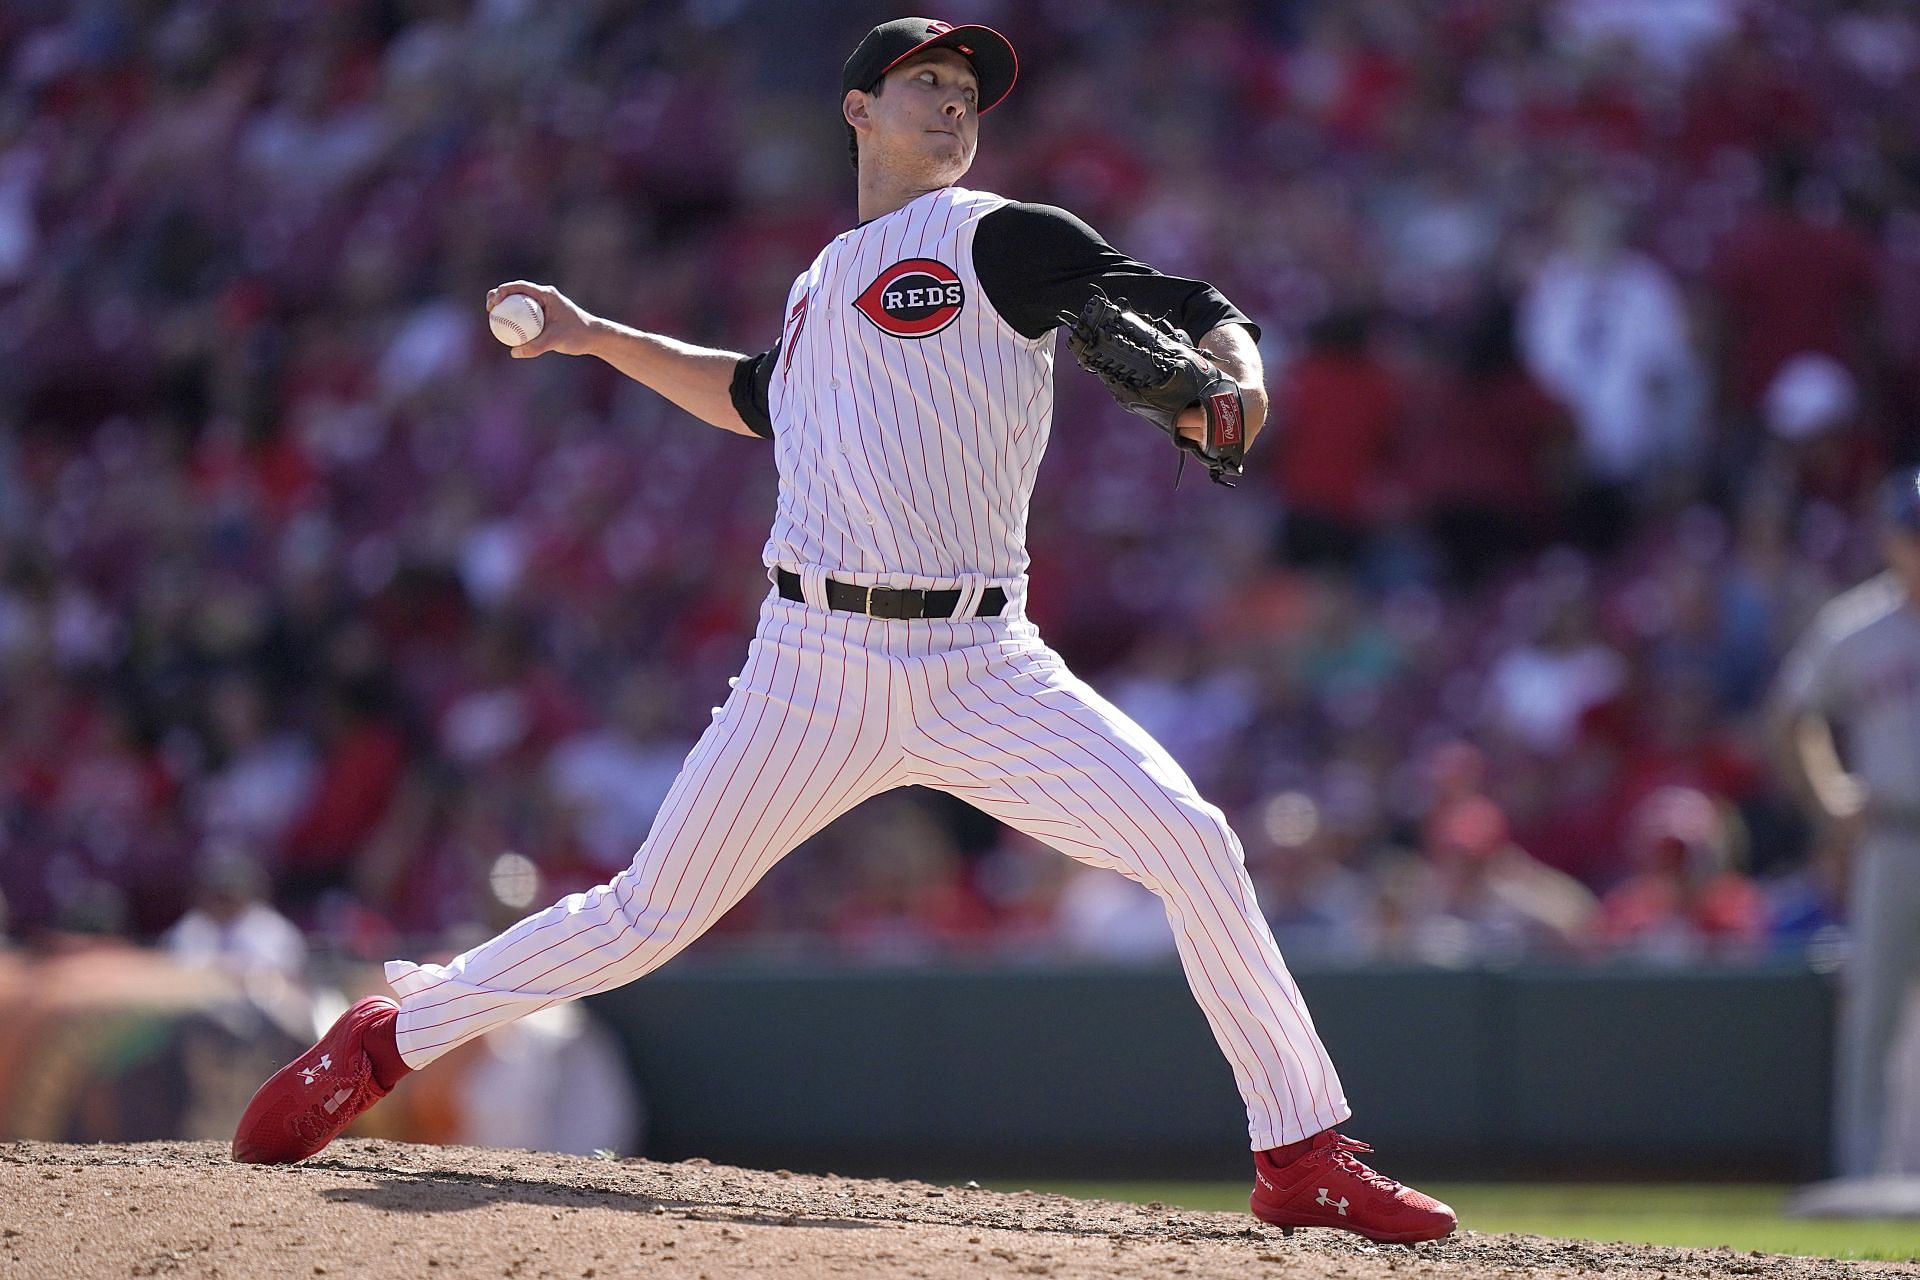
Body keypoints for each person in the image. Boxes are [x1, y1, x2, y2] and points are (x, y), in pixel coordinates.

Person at [231, 17, 1454, 1243]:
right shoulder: (821, 283)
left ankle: (1299, 1152)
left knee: (1194, 844)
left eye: (967, 88)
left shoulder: (1001, 237)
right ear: (859, 109)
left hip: (984, 662)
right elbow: (753, 394)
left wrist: (1236, 372)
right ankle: (386, 1039)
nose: (952, 103)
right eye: (924, 81)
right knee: (649, 914)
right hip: (811, 664)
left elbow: (1189, 304)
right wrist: (596, 335)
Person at [1770, 469, 1920, 1178]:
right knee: (1876, 1015)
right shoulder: (1859, 626)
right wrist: (1830, 794)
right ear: (1892, 540)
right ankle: (1866, 1176)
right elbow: (1794, 712)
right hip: (1891, 834)